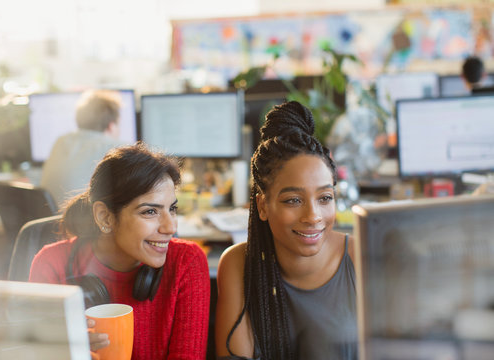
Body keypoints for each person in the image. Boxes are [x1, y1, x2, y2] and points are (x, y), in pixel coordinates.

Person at [30, 143, 211, 360]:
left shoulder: (186, 262)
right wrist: (68, 353)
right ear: (105, 217)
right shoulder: (52, 264)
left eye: (172, 209)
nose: (171, 227)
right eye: (150, 211)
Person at [215, 101, 357, 360]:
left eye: (325, 198)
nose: (313, 216)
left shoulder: (361, 257)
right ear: (263, 206)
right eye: (293, 200)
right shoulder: (238, 264)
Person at [40, 89, 126, 207]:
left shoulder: (61, 141)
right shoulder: (116, 148)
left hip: (53, 221)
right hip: (83, 222)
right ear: (111, 126)